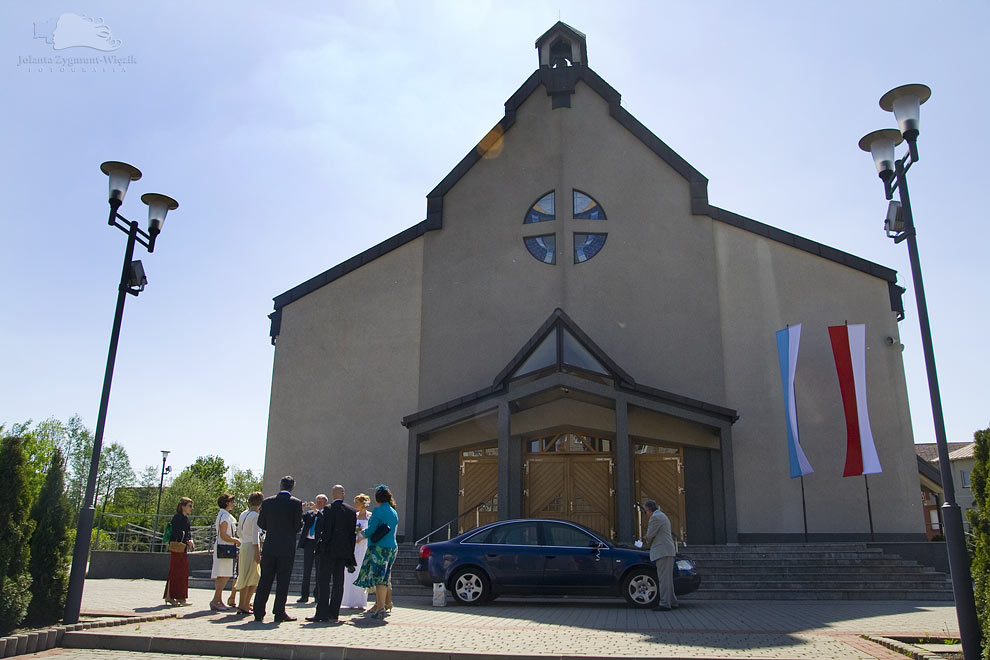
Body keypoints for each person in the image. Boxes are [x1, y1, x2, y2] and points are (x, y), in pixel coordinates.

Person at [254, 475, 304, 623]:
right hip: (286, 548)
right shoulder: (296, 503)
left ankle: (258, 612)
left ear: (280, 486)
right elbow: (297, 526)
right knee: (283, 581)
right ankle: (279, 612)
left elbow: (261, 523)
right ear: (292, 487)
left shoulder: (268, 502)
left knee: (265, 580)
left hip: (270, 546)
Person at [307, 485, 357, 623]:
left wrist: (321, 546)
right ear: (343, 494)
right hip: (343, 552)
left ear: (333, 494)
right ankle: (334, 613)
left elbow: (326, 531)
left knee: (323, 581)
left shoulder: (328, 509)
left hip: (328, 551)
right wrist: (350, 555)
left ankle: (321, 613)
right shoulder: (352, 511)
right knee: (338, 582)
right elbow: (352, 535)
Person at [353, 485, 398, 619]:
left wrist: (362, 533)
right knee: (385, 578)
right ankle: (384, 603)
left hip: (379, 548)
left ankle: (380, 608)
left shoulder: (378, 511)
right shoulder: (393, 511)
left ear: (378, 499)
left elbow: (371, 530)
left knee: (379, 578)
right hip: (392, 547)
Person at [642, 499, 678, 611]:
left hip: (662, 551)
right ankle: (672, 601)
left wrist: (645, 538)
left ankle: (664, 603)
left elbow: (650, 534)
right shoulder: (661, 515)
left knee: (663, 579)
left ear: (648, 510)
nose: (646, 514)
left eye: (645, 511)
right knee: (667, 579)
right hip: (667, 551)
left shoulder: (655, 518)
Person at [234, 491, 264, 615]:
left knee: (244, 575)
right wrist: (258, 552)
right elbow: (255, 536)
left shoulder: (243, 514)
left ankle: (243, 603)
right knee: (252, 576)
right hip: (252, 547)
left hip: (244, 545)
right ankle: (244, 604)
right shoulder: (256, 516)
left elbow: (239, 532)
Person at [210, 493, 241, 611]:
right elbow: (224, 535)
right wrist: (235, 540)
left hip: (224, 546)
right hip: (225, 547)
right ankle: (215, 600)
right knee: (224, 574)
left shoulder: (224, 515)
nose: (233, 504)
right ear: (227, 503)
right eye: (231, 502)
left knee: (223, 574)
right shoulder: (224, 516)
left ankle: (218, 599)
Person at [340, 493, 371, 609]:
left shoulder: (370, 516)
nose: (355, 505)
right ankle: (349, 600)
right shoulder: (354, 515)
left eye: (357, 503)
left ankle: (360, 601)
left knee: (361, 572)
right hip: (353, 546)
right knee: (350, 573)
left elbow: (371, 530)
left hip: (364, 545)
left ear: (363, 504)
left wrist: (362, 537)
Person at [163, 497, 194, 606]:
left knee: (183, 571)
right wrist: (186, 539)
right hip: (177, 547)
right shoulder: (177, 518)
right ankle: (170, 596)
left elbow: (188, 531)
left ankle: (181, 597)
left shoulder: (186, 518)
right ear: (183, 506)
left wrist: (190, 540)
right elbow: (176, 532)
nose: (191, 508)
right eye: (189, 506)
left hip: (183, 547)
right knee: (175, 571)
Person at [297, 496, 326, 604]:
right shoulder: (310, 514)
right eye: (316, 501)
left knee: (319, 570)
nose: (317, 503)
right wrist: (300, 508)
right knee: (306, 570)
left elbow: (324, 520)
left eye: (320, 502)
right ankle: (304, 595)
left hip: (318, 543)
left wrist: (316, 511)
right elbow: (300, 518)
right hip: (308, 542)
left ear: (324, 503)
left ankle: (317, 595)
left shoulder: (325, 513)